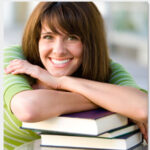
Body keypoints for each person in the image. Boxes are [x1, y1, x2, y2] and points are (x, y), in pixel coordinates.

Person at [4, 2, 148, 150]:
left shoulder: (108, 68)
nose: (58, 50)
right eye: (48, 37)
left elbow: (143, 108)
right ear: (36, 39)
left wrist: (61, 82)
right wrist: (110, 101)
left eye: (72, 38)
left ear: (91, 42)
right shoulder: (14, 58)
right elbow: (28, 108)